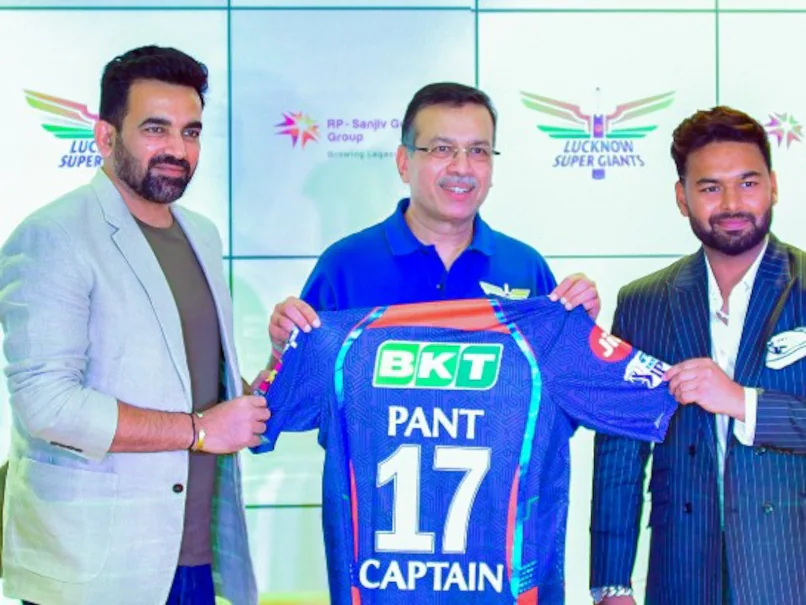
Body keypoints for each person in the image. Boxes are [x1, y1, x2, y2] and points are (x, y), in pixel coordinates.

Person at [0, 46, 265, 605]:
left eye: (191, 132)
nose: (178, 150)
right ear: (105, 136)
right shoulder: (54, 235)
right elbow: (46, 405)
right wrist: (198, 430)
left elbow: (195, 385)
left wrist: (275, 367)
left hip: (193, 557)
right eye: (155, 129)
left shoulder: (202, 233)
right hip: (92, 570)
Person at [589, 106, 806, 605]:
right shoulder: (644, 302)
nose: (731, 203)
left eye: (747, 183)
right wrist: (612, 582)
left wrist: (742, 402)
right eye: (710, 187)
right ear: (682, 197)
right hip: (682, 574)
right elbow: (621, 452)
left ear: (773, 186)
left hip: (791, 572)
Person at [267, 82, 601, 352]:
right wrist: (283, 348)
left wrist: (580, 334)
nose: (461, 167)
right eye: (442, 149)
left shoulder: (526, 267)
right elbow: (294, 396)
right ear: (403, 163)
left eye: (478, 151)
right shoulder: (344, 266)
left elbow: (562, 394)